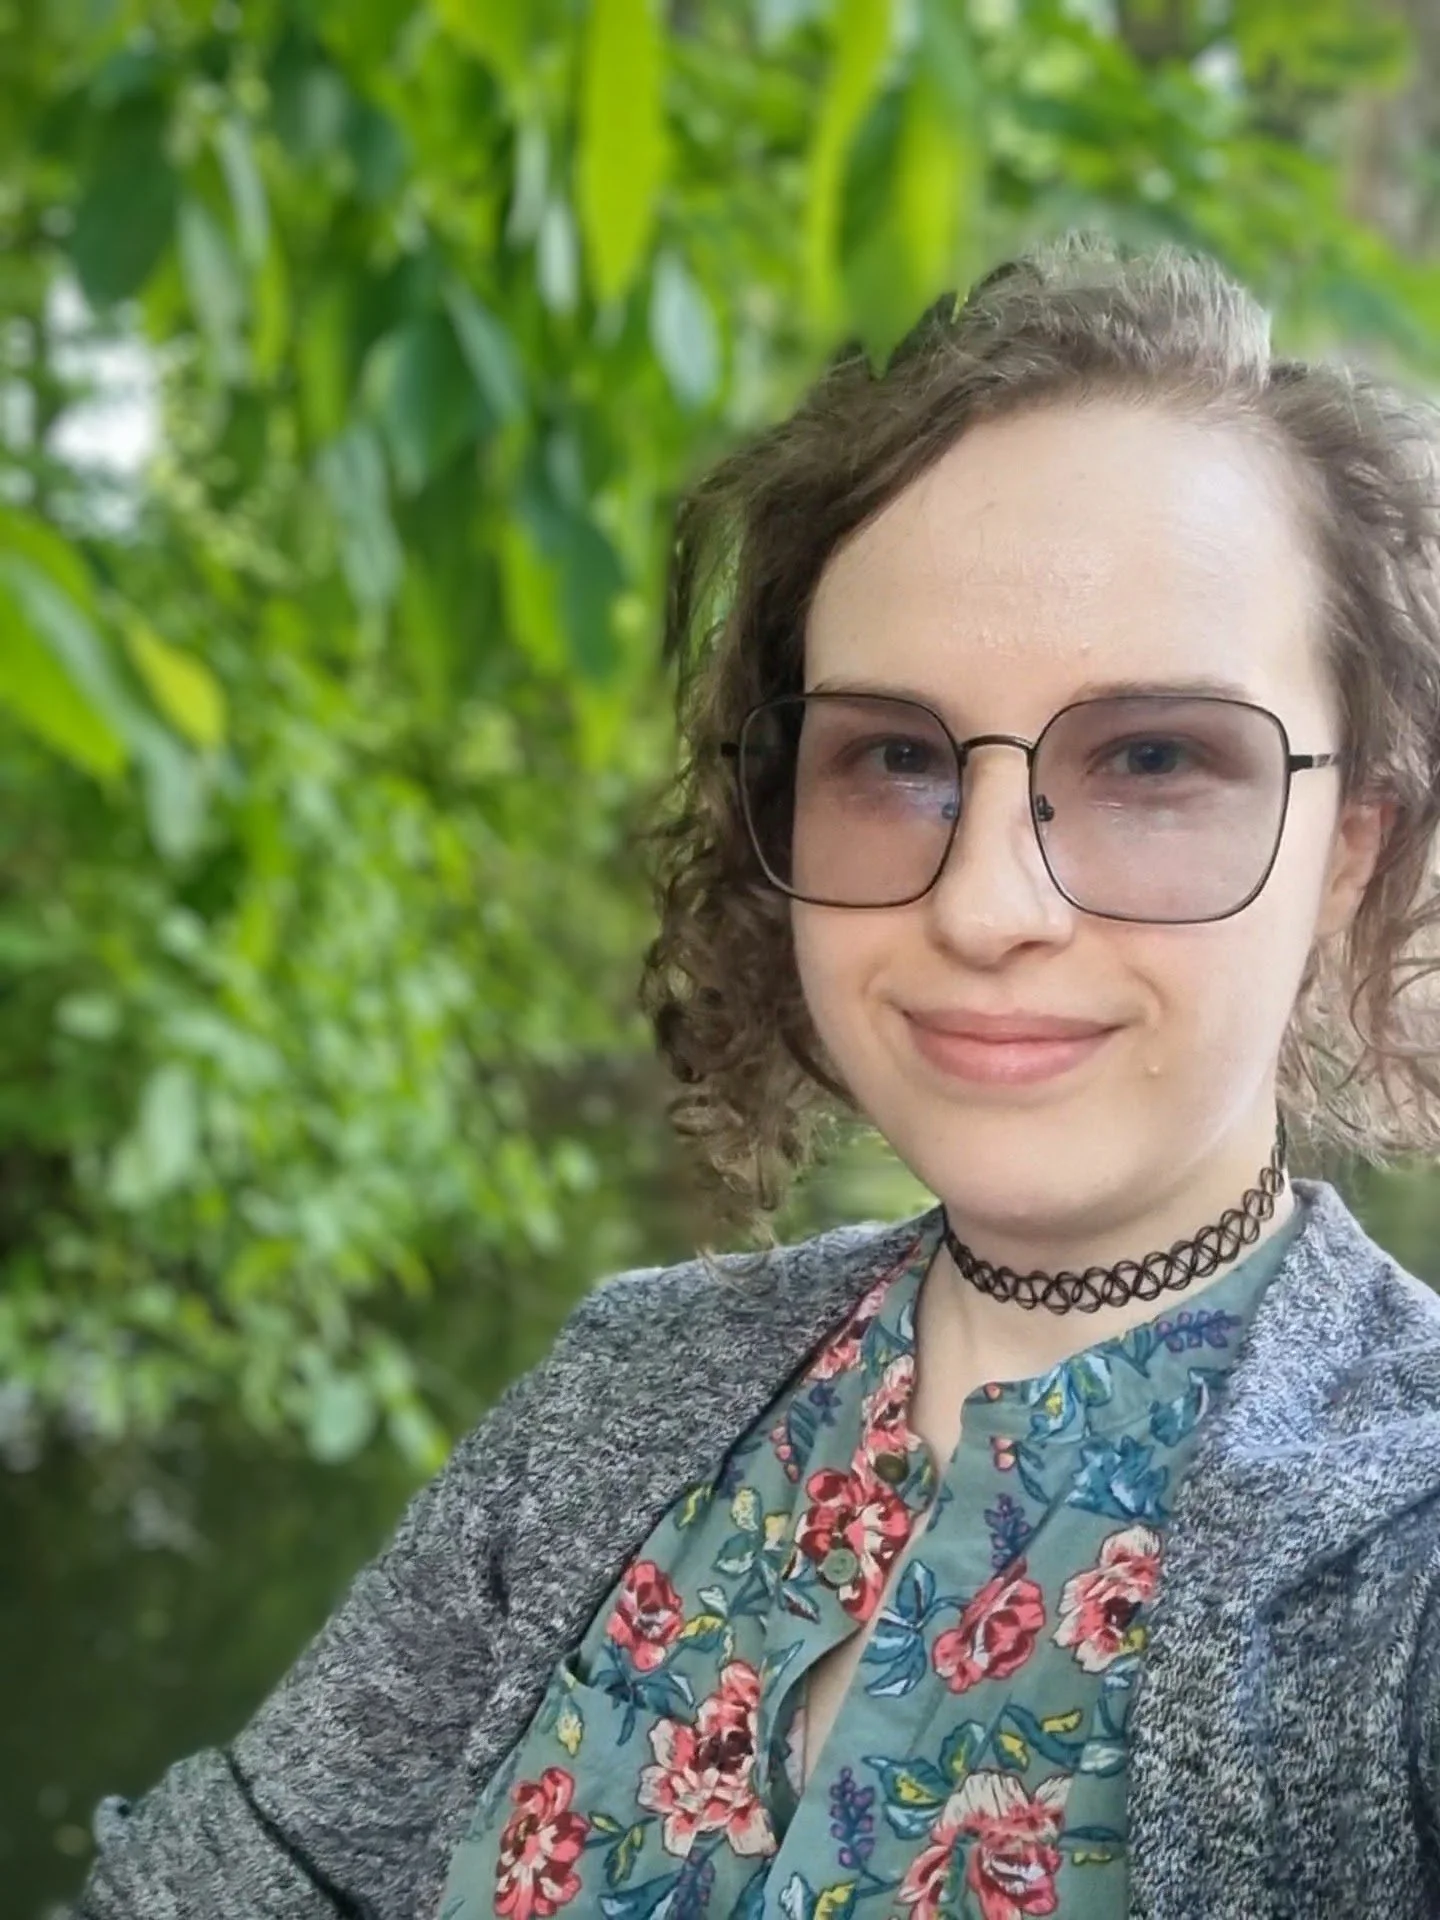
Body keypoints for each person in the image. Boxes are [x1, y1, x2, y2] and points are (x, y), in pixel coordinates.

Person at [71, 232, 1440, 1920]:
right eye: (896, 760)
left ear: (1353, 853)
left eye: (1154, 759)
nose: (986, 904)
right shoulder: (623, 1389)